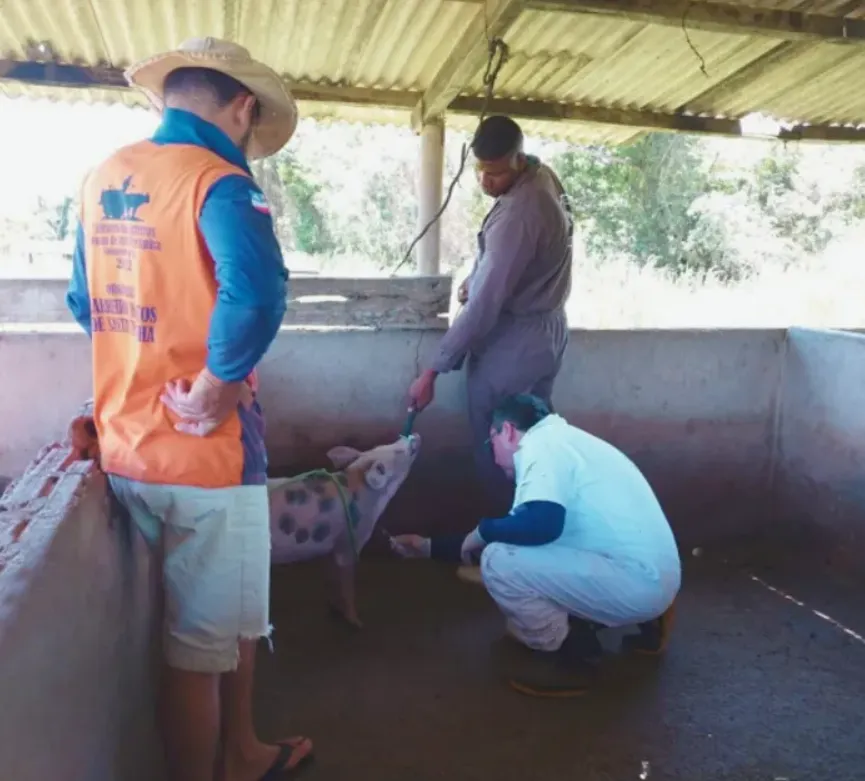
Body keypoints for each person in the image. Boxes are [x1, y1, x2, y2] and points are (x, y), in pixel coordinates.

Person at [65, 37, 313, 781]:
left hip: (128, 444)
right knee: (195, 652)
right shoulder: (220, 182)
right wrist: (215, 381)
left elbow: (88, 303)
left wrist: (143, 372)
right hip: (204, 456)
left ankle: (242, 750)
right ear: (241, 107)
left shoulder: (100, 177)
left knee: (227, 615)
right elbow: (259, 291)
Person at [391, 394, 681, 698]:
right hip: (656, 574)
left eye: (493, 444)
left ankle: (570, 656)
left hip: (637, 582)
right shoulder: (569, 442)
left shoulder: (540, 446)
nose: (495, 457)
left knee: (499, 563)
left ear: (508, 431)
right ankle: (650, 620)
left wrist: (485, 530)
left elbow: (541, 526)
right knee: (513, 555)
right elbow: (522, 531)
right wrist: (427, 547)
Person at [407, 115, 573, 517]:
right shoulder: (542, 175)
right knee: (535, 440)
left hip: (513, 340)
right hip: (546, 331)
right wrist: (478, 277)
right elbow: (511, 266)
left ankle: (501, 542)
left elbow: (483, 307)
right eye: (480, 170)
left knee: (501, 445)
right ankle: (536, 532)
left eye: (496, 173)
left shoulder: (519, 213)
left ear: (517, 159)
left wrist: (433, 369)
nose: (486, 181)